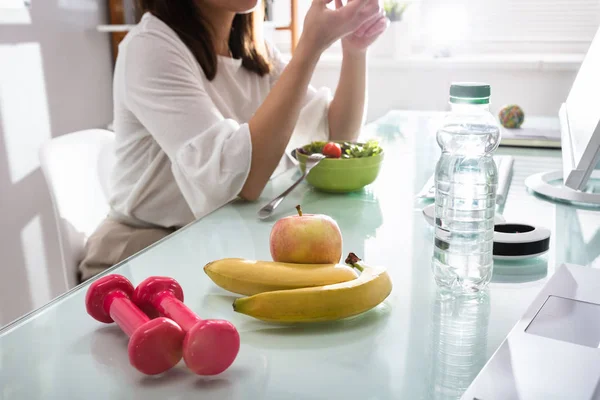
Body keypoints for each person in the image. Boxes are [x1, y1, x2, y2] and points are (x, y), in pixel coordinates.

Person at [78, 0, 388, 281]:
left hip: (213, 238)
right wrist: (310, 47)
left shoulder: (254, 50)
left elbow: (337, 139)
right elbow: (241, 182)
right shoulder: (149, 48)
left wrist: (355, 50)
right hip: (137, 253)